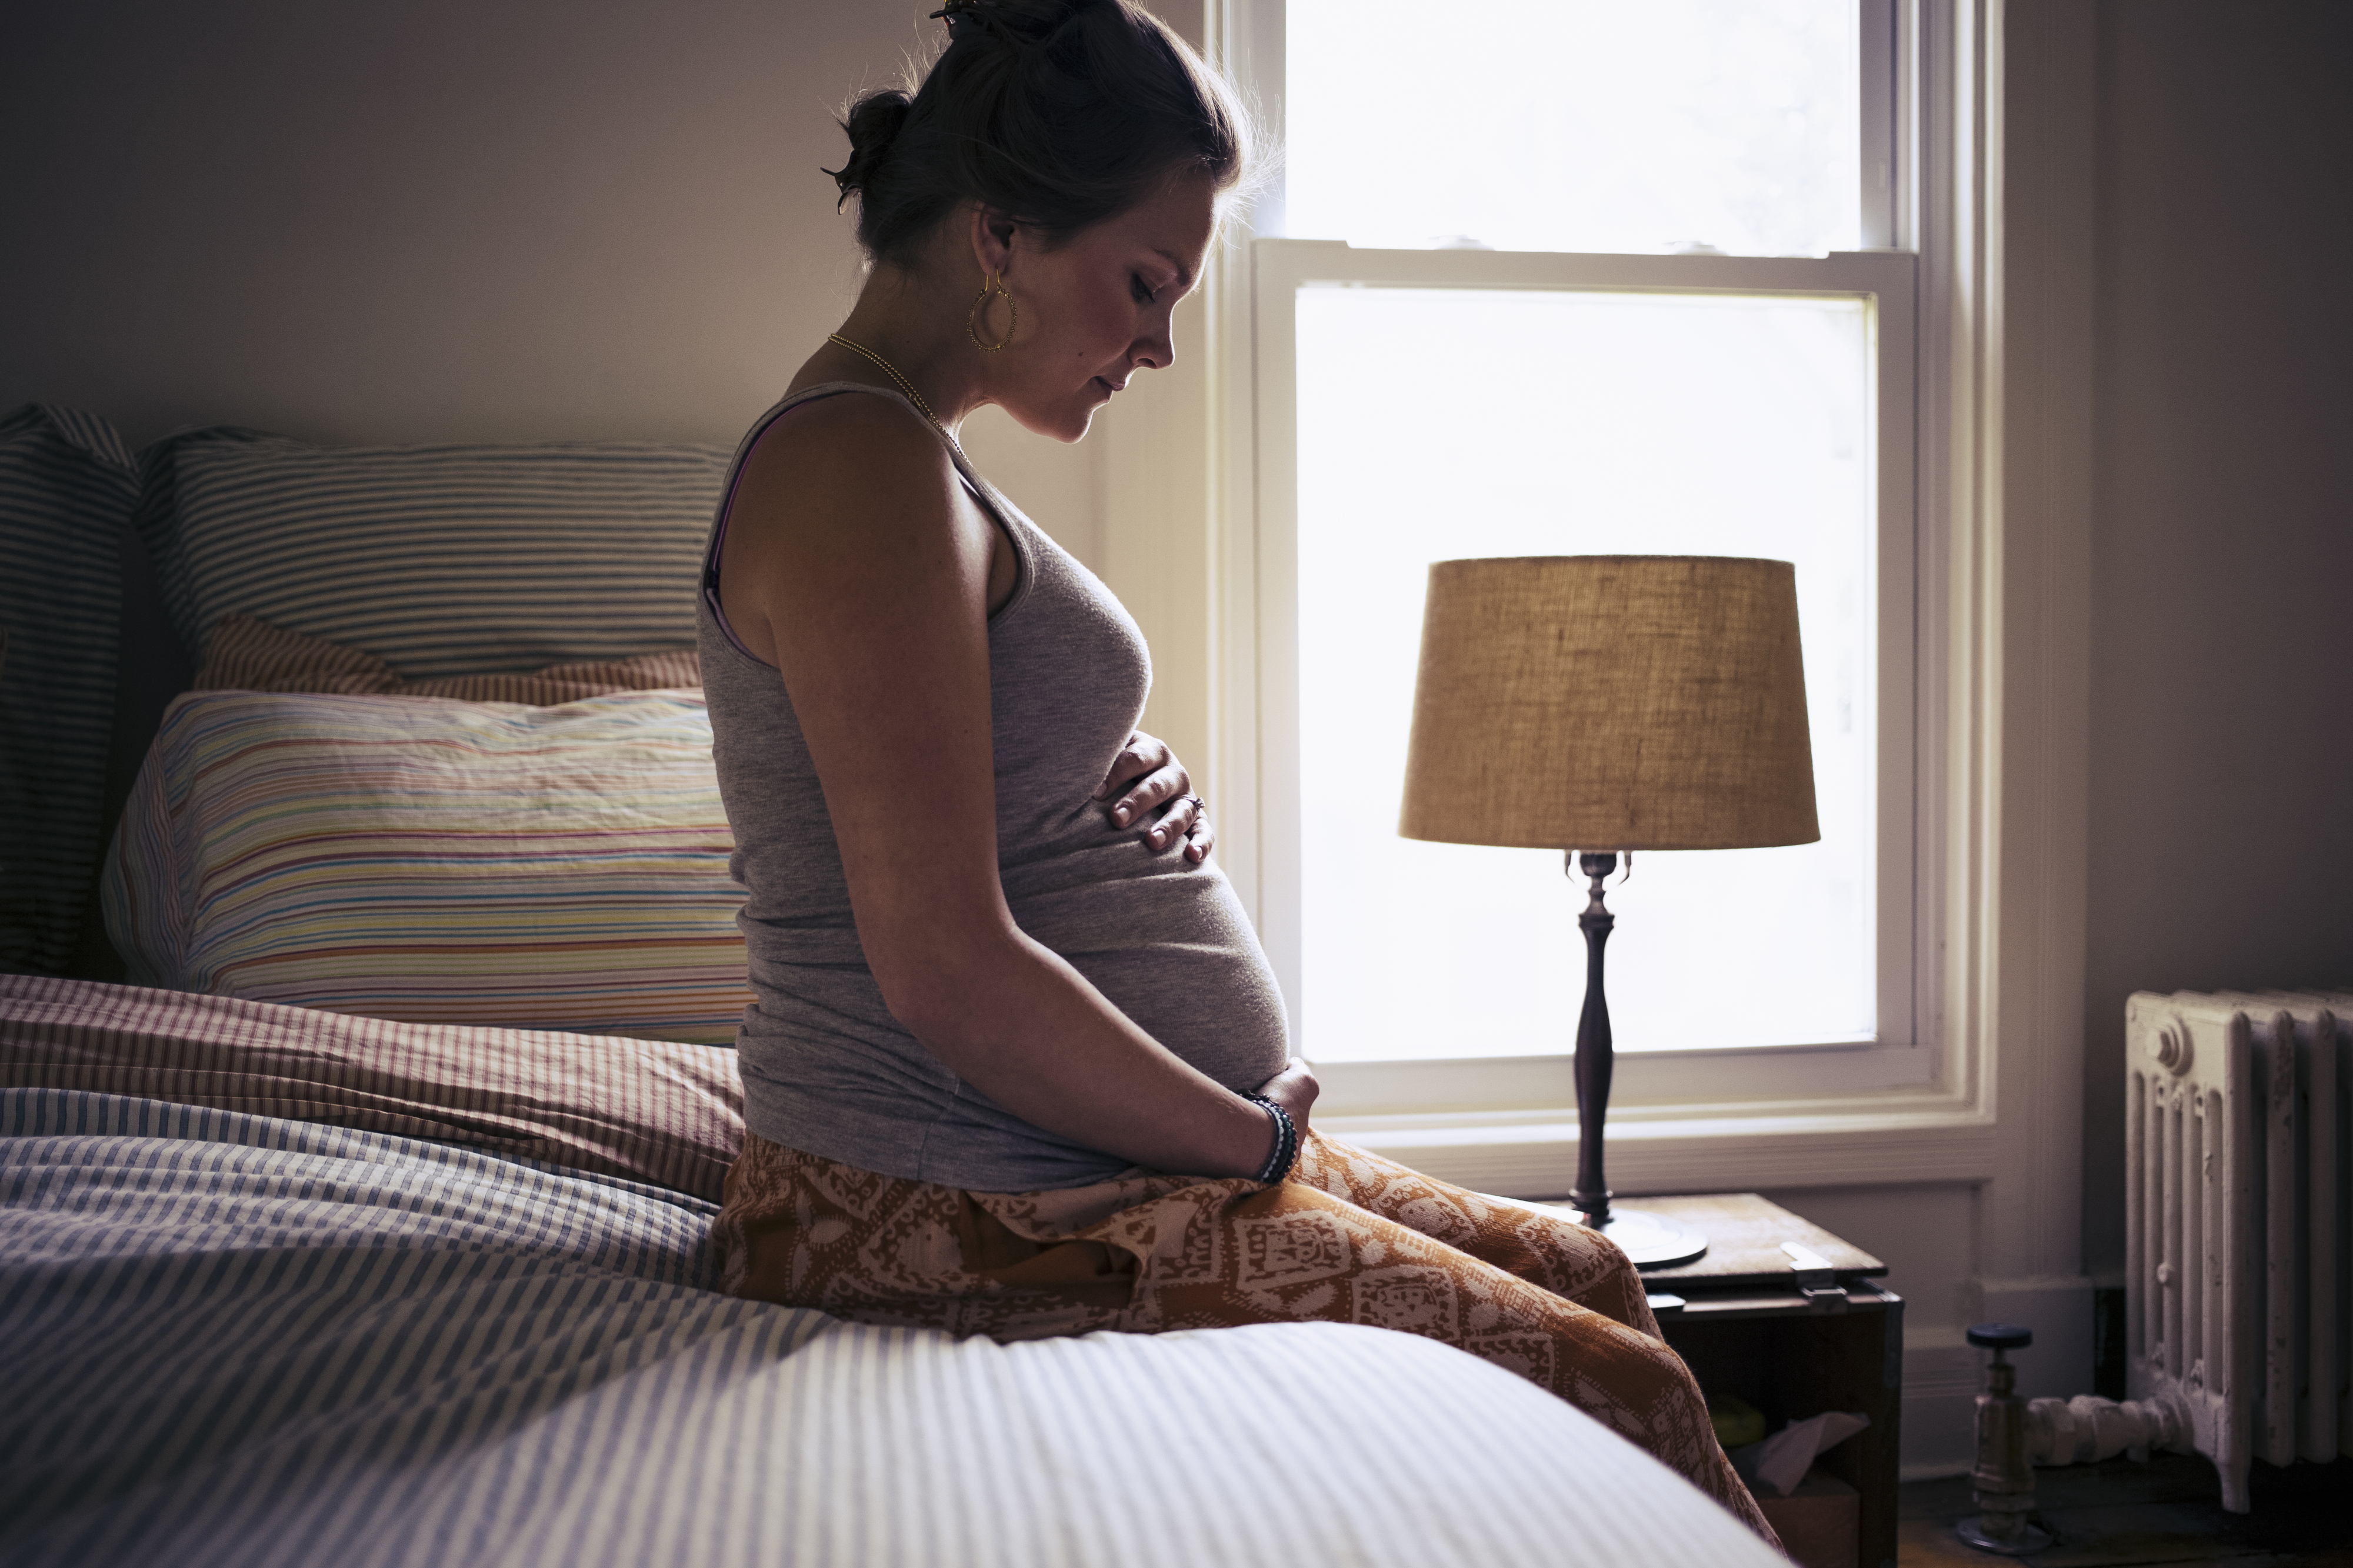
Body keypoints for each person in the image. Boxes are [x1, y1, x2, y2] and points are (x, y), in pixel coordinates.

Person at [698, 0, 1775, 1543]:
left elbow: (956, 789)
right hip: (941, 1206)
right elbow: (940, 963)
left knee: (1592, 1265)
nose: (1161, 341)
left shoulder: (893, 456)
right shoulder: (854, 466)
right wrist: (1255, 1139)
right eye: (1143, 282)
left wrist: (1094, 776)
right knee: (1613, 1374)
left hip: (1047, 1164)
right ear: (1000, 235)